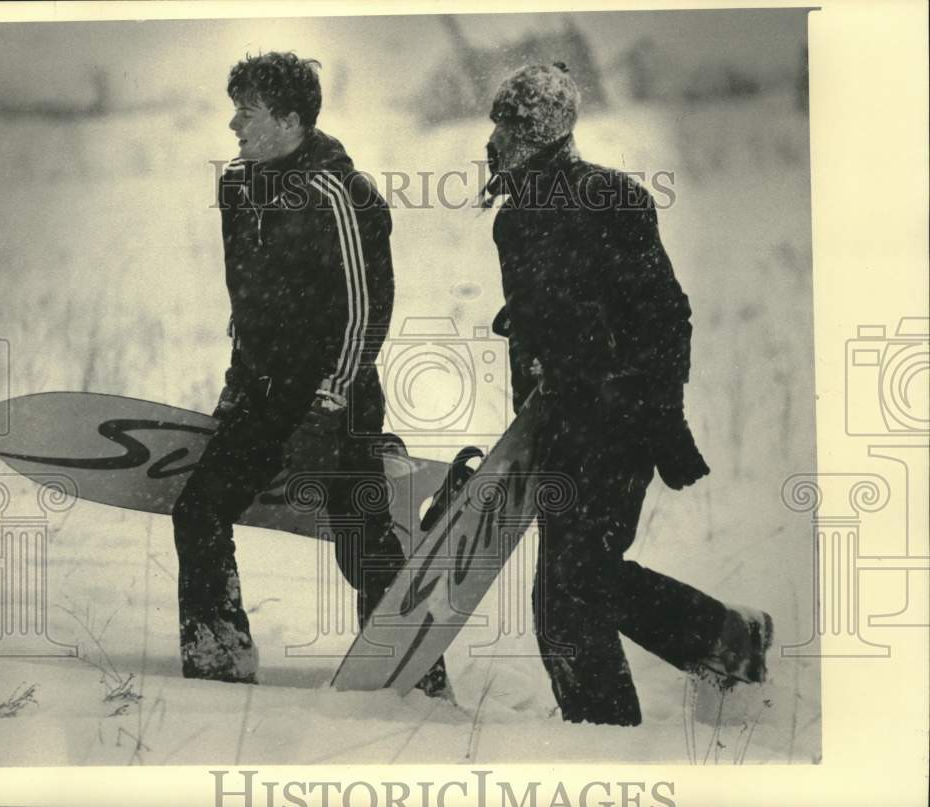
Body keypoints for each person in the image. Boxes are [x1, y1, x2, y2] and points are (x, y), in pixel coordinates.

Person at [482, 62, 773, 725]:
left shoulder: (611, 200)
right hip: (558, 430)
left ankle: (605, 735)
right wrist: (530, 419)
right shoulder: (514, 218)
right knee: (572, 590)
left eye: (510, 126)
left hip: (620, 424)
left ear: (543, 133)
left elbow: (666, 316)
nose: (497, 139)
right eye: (496, 124)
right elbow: (538, 333)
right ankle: (725, 640)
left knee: (571, 591)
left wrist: (659, 415)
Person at [172, 51, 448, 696]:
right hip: (262, 395)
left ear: (291, 120)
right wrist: (239, 379)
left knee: (359, 541)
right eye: (233, 108)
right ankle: (218, 666)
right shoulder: (237, 184)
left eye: (248, 111)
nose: (233, 125)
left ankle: (414, 677)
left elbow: (365, 309)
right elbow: (246, 298)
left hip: (335, 396)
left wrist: (329, 399)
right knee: (200, 510)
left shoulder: (340, 191)